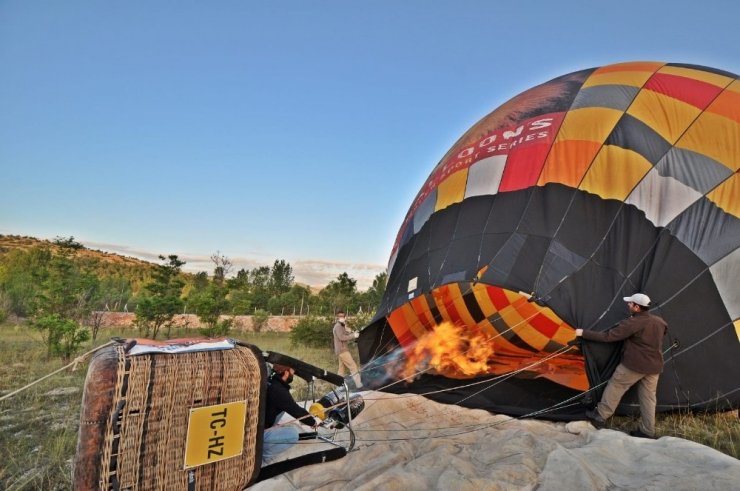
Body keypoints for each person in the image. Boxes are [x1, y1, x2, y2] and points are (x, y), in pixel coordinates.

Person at [575, 293, 668, 438]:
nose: (628, 305)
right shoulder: (660, 321)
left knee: (616, 386)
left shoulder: (633, 323)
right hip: (654, 366)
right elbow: (663, 333)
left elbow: (609, 336)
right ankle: (648, 431)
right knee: (648, 398)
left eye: (630, 303)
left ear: (637, 307)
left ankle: (600, 415)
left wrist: (584, 333)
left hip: (634, 365)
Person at [262, 364, 318, 465]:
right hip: (257, 434)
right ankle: (263, 456)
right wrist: (313, 422)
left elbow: (290, 405)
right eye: (292, 372)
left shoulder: (271, 382)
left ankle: (268, 428)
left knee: (282, 408)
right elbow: (296, 410)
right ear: (286, 373)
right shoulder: (278, 390)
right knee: (293, 434)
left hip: (260, 421)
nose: (293, 375)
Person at [332, 311, 363, 389]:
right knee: (353, 367)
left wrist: (352, 332)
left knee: (341, 370)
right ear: (337, 317)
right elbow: (341, 337)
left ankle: (339, 386)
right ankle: (359, 385)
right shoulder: (338, 326)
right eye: (340, 316)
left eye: (343, 316)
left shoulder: (341, 326)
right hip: (343, 351)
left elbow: (345, 333)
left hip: (341, 350)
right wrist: (353, 335)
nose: (342, 318)